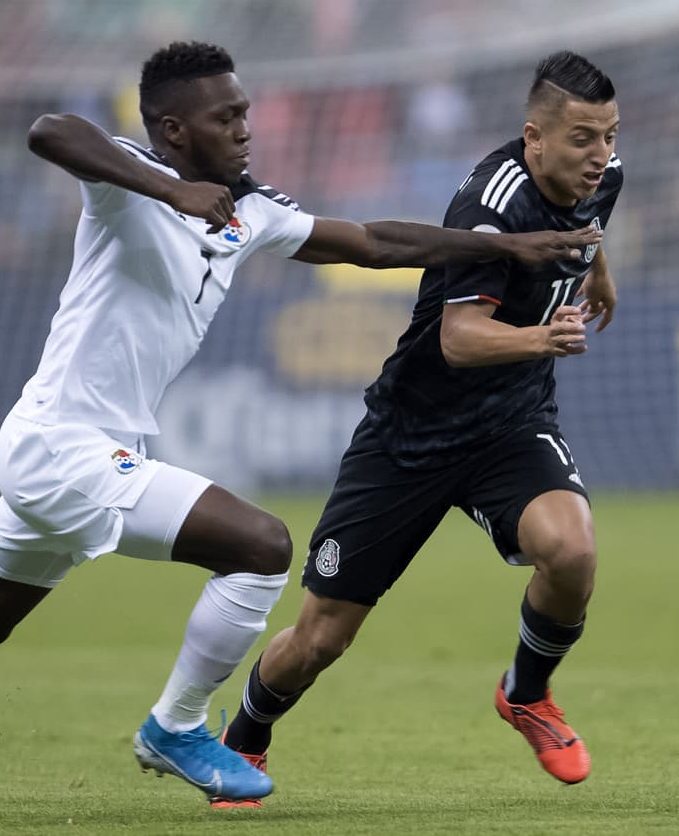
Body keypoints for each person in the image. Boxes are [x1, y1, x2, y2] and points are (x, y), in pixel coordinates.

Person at [0, 41, 601, 822]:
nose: (245, 129)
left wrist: (514, 246)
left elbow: (376, 240)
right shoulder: (129, 181)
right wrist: (168, 189)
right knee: (263, 546)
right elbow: (48, 130)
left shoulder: (251, 211)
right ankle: (177, 725)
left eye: (245, 113)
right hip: (62, 447)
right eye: (226, 118)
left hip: (79, 454)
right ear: (173, 130)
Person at [215, 50, 623, 806]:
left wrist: (598, 271)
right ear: (534, 138)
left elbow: (591, 223)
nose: (600, 155)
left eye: (608, 135)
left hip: (510, 424)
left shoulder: (604, 177)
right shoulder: (490, 205)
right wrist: (545, 338)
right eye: (582, 140)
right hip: (411, 437)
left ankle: (526, 693)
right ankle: (242, 739)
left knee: (572, 548)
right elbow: (458, 340)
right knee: (321, 638)